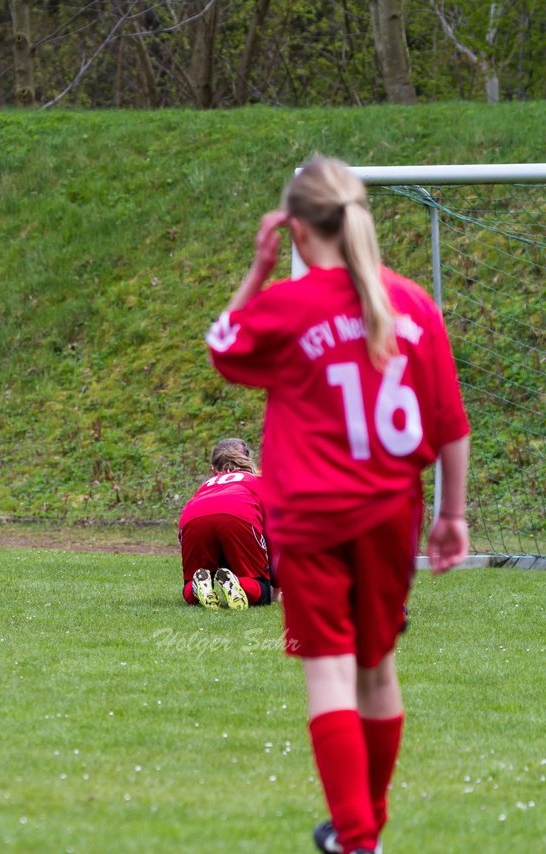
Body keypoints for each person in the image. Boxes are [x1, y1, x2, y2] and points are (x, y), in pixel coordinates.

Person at [206, 156, 470, 854]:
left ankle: (357, 841)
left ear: (292, 230)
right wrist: (453, 516)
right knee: (377, 669)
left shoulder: (291, 306)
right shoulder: (411, 303)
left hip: (311, 515)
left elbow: (223, 347)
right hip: (392, 513)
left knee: (329, 671)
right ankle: (364, 829)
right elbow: (450, 425)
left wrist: (259, 270)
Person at [178, 437, 272, 610]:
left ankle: (199, 584)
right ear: (247, 461)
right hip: (237, 514)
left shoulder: (207, 484)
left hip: (193, 517)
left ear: (213, 469)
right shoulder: (258, 481)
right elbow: (273, 532)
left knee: (193, 580)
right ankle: (240, 583)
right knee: (261, 587)